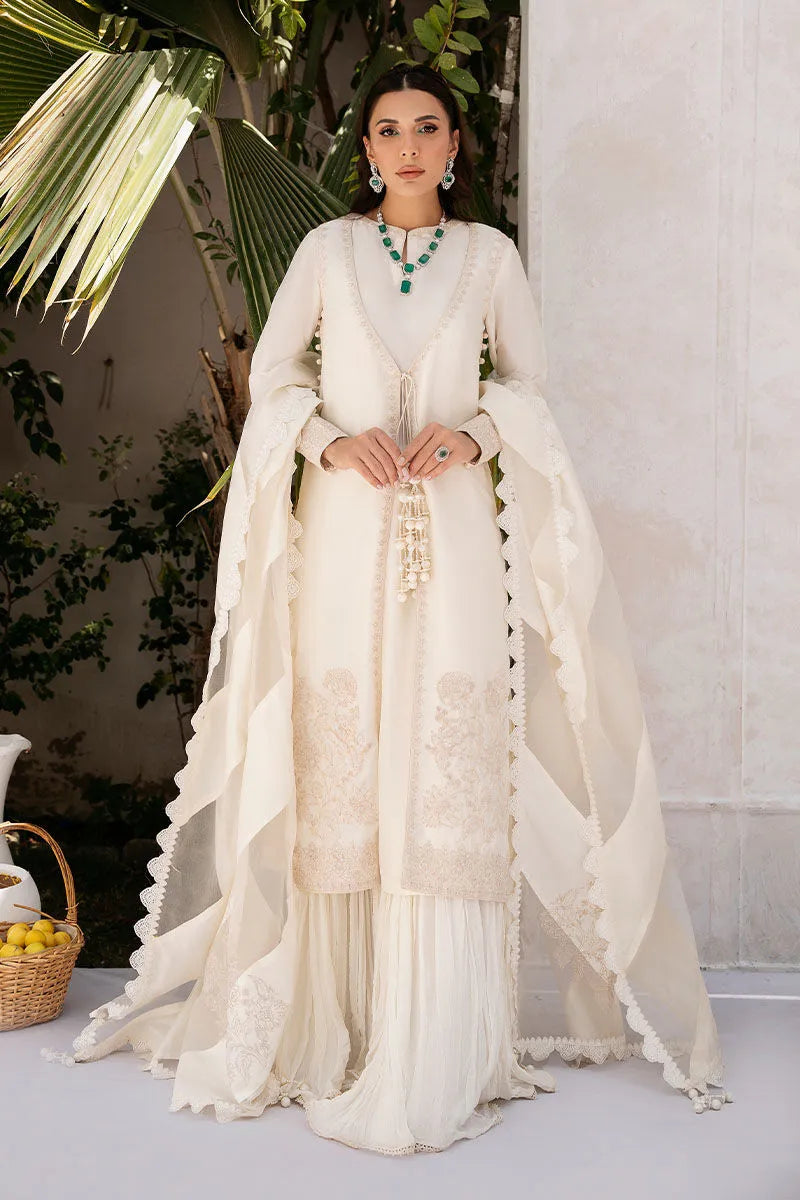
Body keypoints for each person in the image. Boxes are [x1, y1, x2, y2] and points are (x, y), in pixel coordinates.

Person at [41, 62, 732, 1151]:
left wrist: (478, 433)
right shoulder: (327, 253)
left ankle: (440, 1041)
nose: (407, 146)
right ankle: (339, 1025)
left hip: (453, 538)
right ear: (364, 150)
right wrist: (326, 439)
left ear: (455, 146)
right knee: (345, 759)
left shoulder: (486, 259)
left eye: (426, 128)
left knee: (444, 758)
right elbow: (274, 380)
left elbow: (528, 385)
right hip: (346, 539)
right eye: (386, 130)